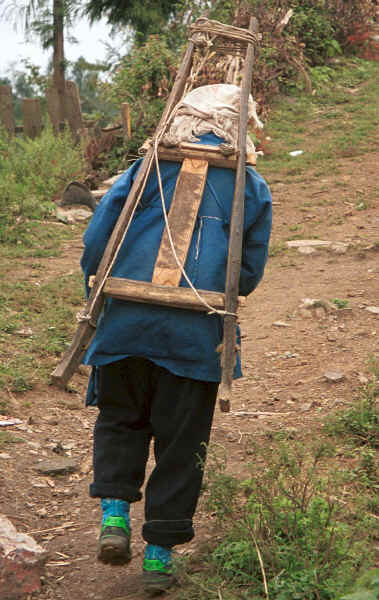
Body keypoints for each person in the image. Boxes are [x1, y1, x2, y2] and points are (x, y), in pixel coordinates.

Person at [81, 84, 272, 595]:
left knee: (120, 419)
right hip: (194, 340)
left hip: (127, 326)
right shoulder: (250, 187)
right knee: (182, 444)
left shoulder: (142, 171)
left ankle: (116, 518)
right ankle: (159, 558)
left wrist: (99, 301)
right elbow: (247, 273)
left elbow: (97, 242)